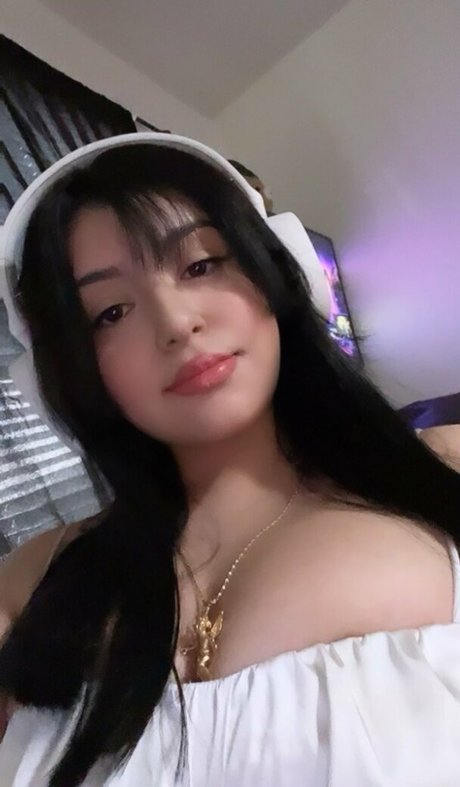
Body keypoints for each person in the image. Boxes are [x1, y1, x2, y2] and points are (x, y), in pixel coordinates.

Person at [0, 133, 460, 787]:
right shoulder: (37, 579)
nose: (175, 323)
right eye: (111, 312)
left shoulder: (442, 468)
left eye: (201, 265)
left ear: (275, 273)